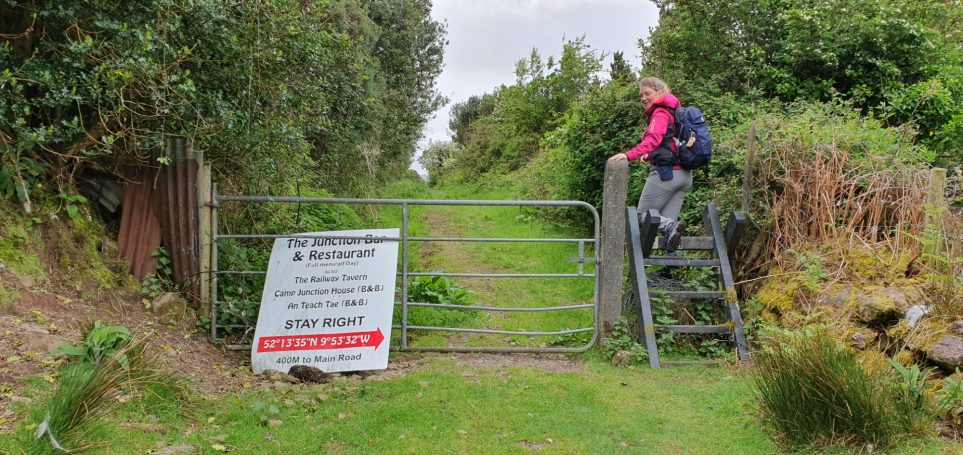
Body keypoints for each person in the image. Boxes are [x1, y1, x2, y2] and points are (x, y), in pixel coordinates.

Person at [608, 76, 691, 254]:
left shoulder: (661, 112)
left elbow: (653, 139)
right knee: (670, 229)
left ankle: (670, 227)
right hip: (684, 175)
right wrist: (650, 154)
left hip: (666, 174)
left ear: (660, 92)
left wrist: (627, 155)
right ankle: (671, 272)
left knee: (641, 215)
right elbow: (671, 143)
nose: (643, 98)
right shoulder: (676, 112)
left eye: (647, 94)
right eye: (641, 95)